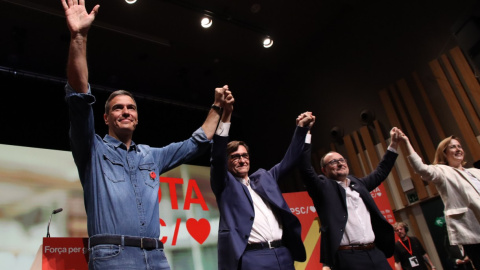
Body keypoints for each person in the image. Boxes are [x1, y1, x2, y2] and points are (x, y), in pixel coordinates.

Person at [61, 0, 231, 269]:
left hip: (156, 257)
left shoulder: (152, 156)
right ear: (106, 118)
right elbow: (80, 100)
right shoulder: (92, 149)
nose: (125, 112)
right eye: (118, 108)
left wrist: (217, 108)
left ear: (137, 117)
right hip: (112, 257)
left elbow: (196, 142)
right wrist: (79, 37)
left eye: (131, 108)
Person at [210, 109, 314, 270]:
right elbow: (217, 157)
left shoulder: (264, 179)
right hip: (254, 258)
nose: (242, 160)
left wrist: (302, 129)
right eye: (235, 156)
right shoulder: (225, 185)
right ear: (227, 161)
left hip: (283, 253)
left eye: (245, 156)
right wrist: (226, 116)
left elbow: (290, 159)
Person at [299, 127, 403, 270]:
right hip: (348, 257)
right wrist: (305, 136)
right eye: (333, 162)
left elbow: (381, 172)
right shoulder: (322, 188)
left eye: (342, 160)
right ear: (324, 170)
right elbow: (305, 169)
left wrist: (394, 145)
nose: (340, 163)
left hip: (375, 252)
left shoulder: (358, 184)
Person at [399, 132, 480, 270]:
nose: (458, 149)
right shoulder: (442, 171)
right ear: (444, 153)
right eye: (453, 147)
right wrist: (406, 141)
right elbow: (421, 169)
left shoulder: (476, 171)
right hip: (473, 232)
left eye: (459, 146)